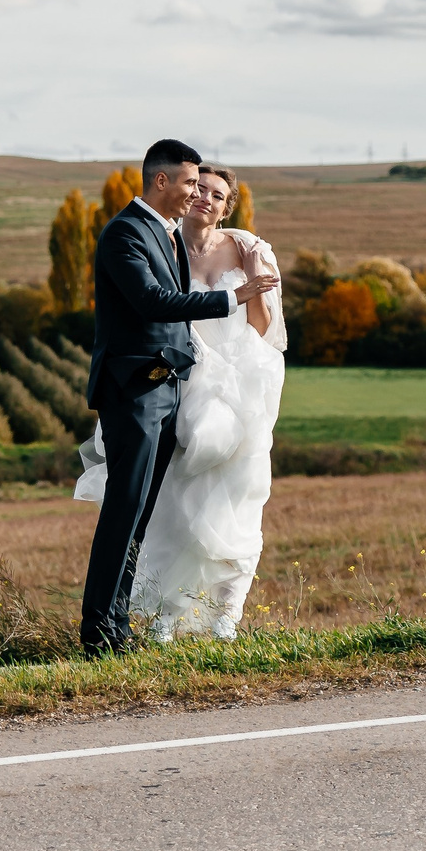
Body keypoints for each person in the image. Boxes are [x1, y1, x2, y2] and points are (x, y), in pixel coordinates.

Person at [77, 139, 278, 655]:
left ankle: (118, 628)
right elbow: (153, 302)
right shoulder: (126, 233)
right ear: (161, 180)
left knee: (140, 514)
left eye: (205, 188)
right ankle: (100, 636)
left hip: (164, 390)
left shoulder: (162, 233)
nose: (195, 194)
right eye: (190, 183)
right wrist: (234, 297)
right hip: (134, 391)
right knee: (123, 513)